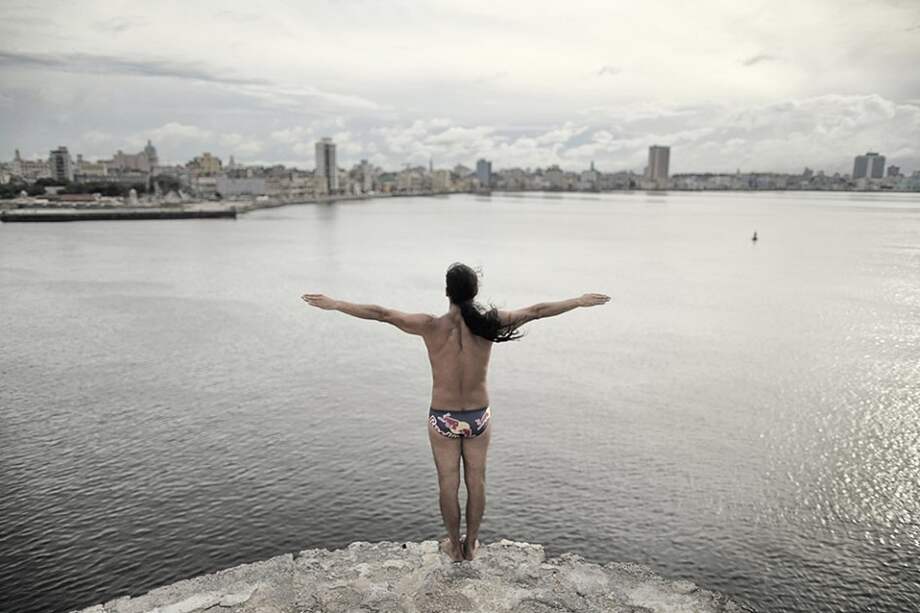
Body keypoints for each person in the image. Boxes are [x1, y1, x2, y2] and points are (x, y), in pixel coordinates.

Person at [301, 262, 610, 562]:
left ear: (446, 292)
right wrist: (578, 302)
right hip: (478, 417)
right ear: (474, 292)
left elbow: (381, 314)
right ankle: (472, 544)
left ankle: (453, 544)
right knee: (477, 482)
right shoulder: (492, 322)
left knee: (448, 484)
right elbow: (537, 311)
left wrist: (336, 304)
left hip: (443, 418)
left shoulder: (430, 326)